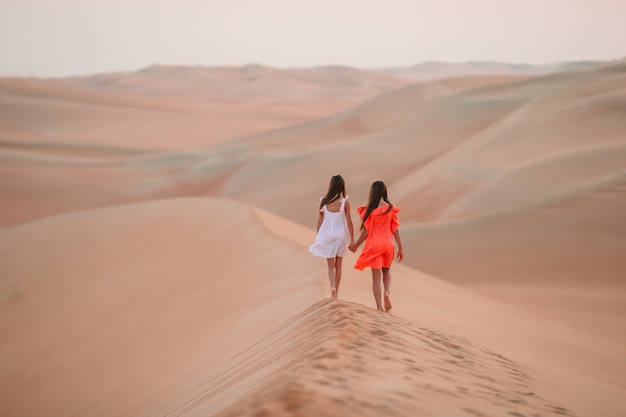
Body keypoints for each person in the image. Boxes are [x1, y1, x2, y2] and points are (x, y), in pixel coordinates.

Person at [349, 180, 404, 312]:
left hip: (374, 245)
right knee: (386, 271)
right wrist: (400, 248)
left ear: (372, 192)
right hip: (387, 244)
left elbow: (366, 231)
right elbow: (395, 229)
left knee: (376, 277)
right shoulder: (390, 208)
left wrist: (356, 245)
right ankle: (387, 292)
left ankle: (379, 307)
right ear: (384, 191)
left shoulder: (369, 210)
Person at [309, 175, 355, 298]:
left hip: (326, 234)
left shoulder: (323, 201)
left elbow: (319, 221)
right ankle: (337, 291)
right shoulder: (345, 203)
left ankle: (332, 287)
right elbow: (350, 222)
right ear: (342, 186)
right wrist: (353, 240)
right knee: (338, 265)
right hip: (340, 235)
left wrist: (319, 237)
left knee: (330, 265)